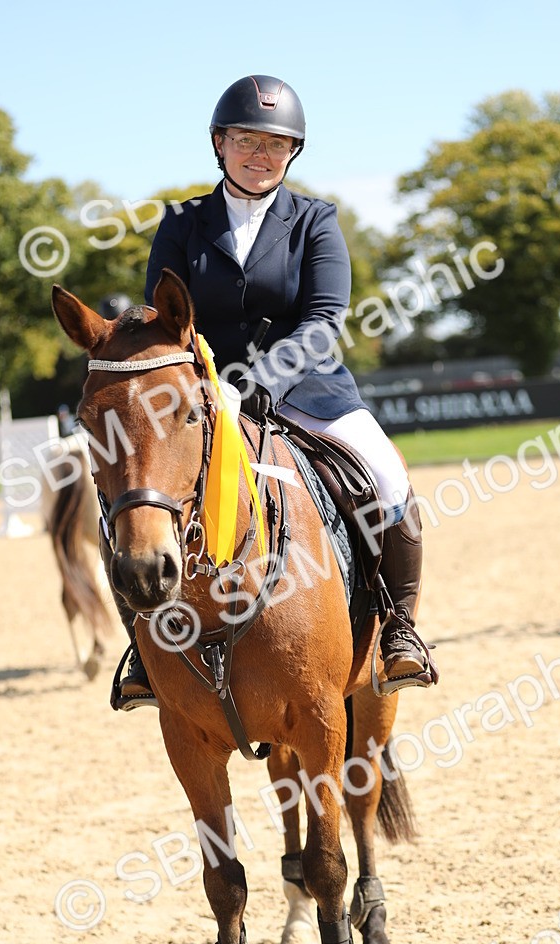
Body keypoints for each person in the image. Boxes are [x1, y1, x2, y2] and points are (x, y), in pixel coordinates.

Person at [113, 74, 437, 709]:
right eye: (245, 140)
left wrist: (261, 382)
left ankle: (399, 631)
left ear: (292, 153)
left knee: (390, 482)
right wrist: (209, 385)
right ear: (219, 144)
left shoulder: (316, 220)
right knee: (129, 498)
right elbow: (166, 319)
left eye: (275, 143)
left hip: (307, 388)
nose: (259, 155)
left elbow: (324, 320)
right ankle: (144, 651)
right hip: (202, 395)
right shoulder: (180, 223)